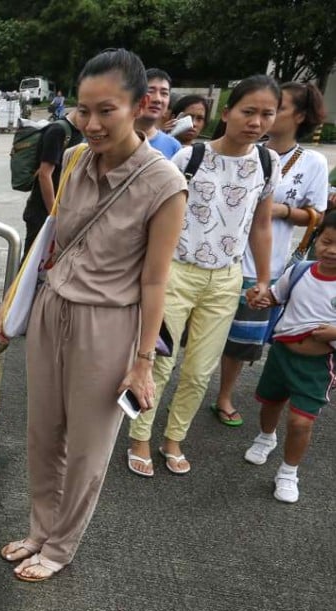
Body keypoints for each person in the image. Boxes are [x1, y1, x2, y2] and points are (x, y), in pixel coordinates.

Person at [0, 49, 187, 581]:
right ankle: (39, 528)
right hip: (54, 308)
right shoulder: (76, 159)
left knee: (87, 447)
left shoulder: (165, 183)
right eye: (84, 110)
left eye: (107, 110)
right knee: (42, 431)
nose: (93, 123)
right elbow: (53, 239)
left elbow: (154, 280)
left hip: (109, 324)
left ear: (140, 105)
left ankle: (60, 547)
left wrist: (143, 361)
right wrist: (16, 299)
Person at [128, 75, 280, 476]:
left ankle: (173, 439)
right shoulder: (189, 158)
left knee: (200, 369)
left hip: (227, 278)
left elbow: (261, 225)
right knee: (160, 362)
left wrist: (262, 279)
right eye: (248, 111)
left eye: (267, 114)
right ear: (227, 113)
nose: (257, 122)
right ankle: (140, 436)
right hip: (176, 272)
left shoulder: (267, 162)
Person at [210, 81, 329, 426]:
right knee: (204, 333)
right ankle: (191, 390)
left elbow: (318, 215)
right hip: (222, 257)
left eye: (276, 109)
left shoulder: (313, 162)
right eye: (256, 110)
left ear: (299, 116)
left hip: (266, 261)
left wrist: (279, 211)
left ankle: (224, 395)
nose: (265, 116)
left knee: (241, 340)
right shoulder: (247, 148)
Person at [242, 213, 336, 503]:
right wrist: (257, 296)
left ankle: (288, 472)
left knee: (300, 422)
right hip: (281, 354)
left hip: (316, 366)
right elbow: (274, 296)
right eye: (327, 241)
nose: (331, 250)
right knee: (270, 402)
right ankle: (265, 436)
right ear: (316, 238)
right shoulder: (300, 271)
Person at [21, 108, 85, 257]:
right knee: (32, 264)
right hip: (42, 212)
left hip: (65, 210)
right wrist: (53, 216)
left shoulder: (80, 132)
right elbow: (44, 174)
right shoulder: (57, 131)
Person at [135, 68, 182, 159]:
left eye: (164, 93)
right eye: (150, 91)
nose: (158, 99)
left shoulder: (174, 147)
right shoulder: (114, 138)